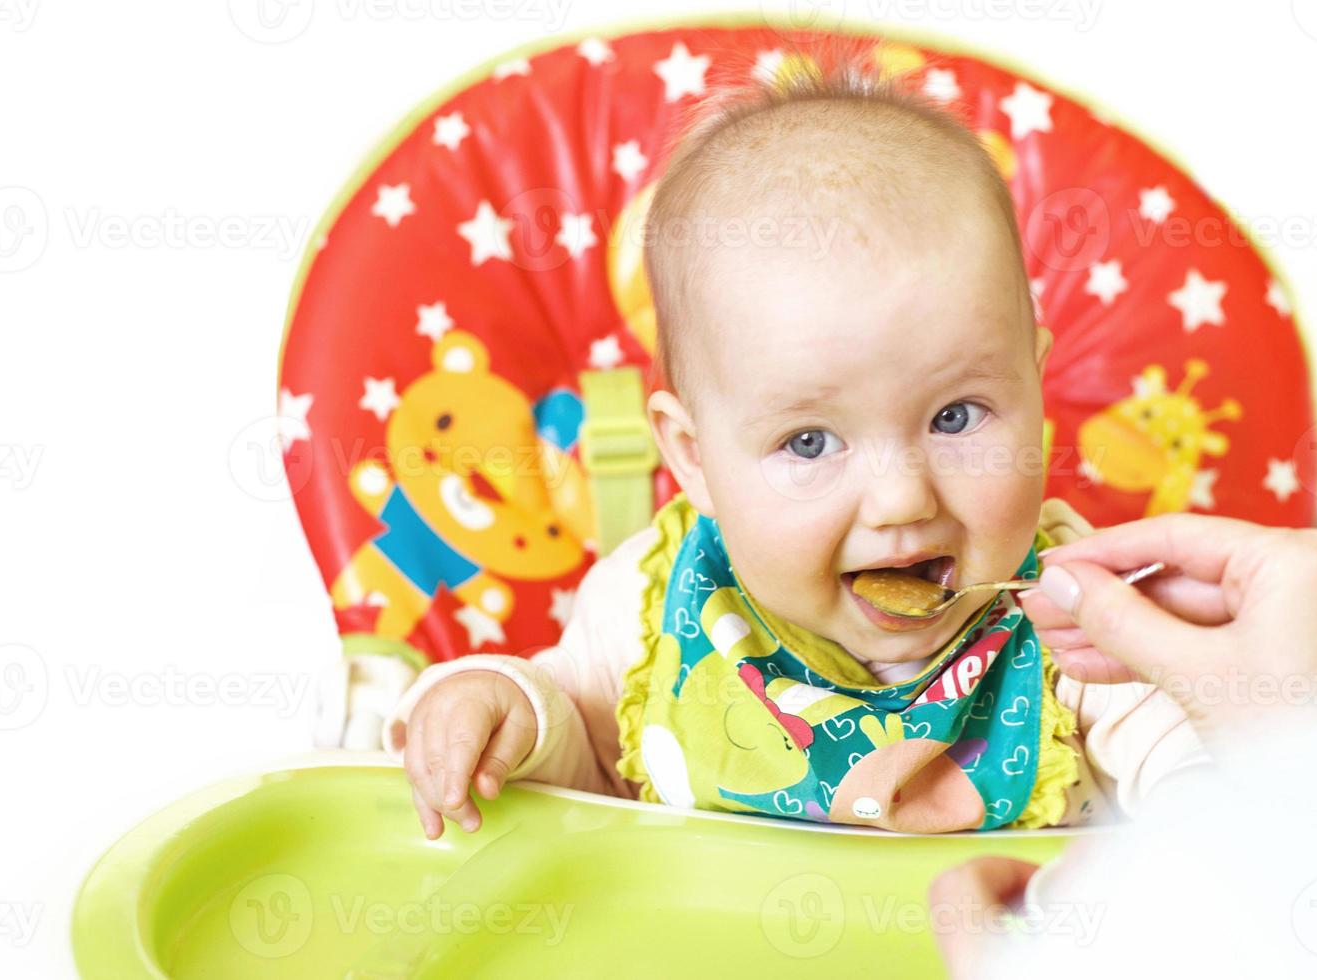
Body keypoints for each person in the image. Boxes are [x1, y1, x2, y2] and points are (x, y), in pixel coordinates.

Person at [383, 50, 1204, 839]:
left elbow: (1215, 784)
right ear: (694, 459)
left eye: (956, 416)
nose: (902, 499)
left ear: (1035, 385)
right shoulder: (648, 605)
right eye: (810, 441)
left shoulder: (1081, 621)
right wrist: (501, 709)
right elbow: (581, 771)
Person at [931, 513, 1317, 977]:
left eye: (951, 432)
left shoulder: (1081, 652)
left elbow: (1206, 795)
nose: (901, 501)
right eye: (824, 443)